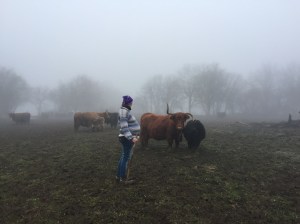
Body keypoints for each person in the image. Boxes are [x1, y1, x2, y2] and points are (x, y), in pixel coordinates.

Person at [116, 95, 140, 184]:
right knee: (126, 157)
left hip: (126, 137)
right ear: (128, 103)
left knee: (124, 156)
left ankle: (118, 176)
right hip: (126, 138)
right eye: (131, 103)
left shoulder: (124, 111)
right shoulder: (123, 112)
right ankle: (122, 178)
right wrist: (131, 138)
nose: (131, 104)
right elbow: (124, 127)